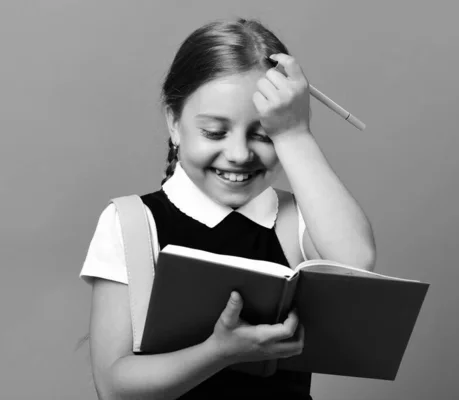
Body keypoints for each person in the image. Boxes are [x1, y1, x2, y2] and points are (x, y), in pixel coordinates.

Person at [79, 18, 376, 400]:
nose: (238, 155)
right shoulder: (132, 223)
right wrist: (216, 353)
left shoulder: (295, 219)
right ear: (173, 122)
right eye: (215, 132)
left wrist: (294, 133)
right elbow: (113, 387)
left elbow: (357, 262)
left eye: (264, 134)